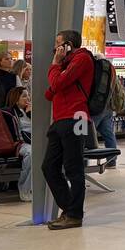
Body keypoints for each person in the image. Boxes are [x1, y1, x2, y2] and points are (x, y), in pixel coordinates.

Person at [42, 29, 95, 231]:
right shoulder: (66, 64)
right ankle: (70, 208)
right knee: (49, 166)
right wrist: (58, 73)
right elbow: (50, 92)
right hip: (61, 120)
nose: (55, 48)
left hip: (77, 118)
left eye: (58, 43)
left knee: (74, 168)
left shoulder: (82, 59)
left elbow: (56, 83)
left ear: (68, 45)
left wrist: (55, 65)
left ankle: (74, 215)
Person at [93, 64, 125, 165]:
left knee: (86, 133)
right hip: (108, 107)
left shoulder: (97, 72)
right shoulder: (110, 71)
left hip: (97, 107)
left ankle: (81, 160)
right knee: (109, 135)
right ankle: (112, 161)